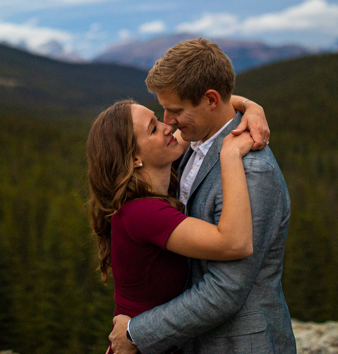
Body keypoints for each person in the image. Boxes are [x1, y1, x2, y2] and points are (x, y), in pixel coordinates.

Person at [109, 37, 295, 354]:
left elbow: (226, 289)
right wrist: (249, 105)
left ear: (210, 100)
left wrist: (136, 333)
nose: (168, 122)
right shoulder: (187, 146)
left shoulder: (252, 171)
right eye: (162, 111)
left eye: (174, 110)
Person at [86, 94, 265, 331]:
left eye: (157, 118)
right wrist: (230, 156)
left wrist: (252, 107)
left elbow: (210, 105)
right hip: (141, 343)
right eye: (153, 129)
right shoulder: (143, 212)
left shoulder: (147, 191)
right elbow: (235, 244)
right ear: (135, 158)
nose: (168, 126)